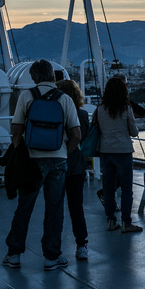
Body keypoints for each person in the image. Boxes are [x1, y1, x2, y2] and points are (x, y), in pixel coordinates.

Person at [2, 60, 81, 271]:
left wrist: (22, 151)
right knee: (54, 209)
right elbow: (76, 134)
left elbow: (16, 129)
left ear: (34, 77)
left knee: (24, 207)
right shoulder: (65, 99)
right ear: (53, 77)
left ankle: (14, 254)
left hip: (32, 161)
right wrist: (64, 152)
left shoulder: (27, 96)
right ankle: (51, 257)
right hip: (58, 161)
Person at [96, 77, 142, 233]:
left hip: (105, 151)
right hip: (123, 151)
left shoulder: (100, 109)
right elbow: (134, 131)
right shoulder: (126, 108)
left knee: (108, 188)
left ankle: (111, 221)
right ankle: (126, 223)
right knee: (126, 189)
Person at [56, 79, 90, 260]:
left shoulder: (54, 113)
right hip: (76, 164)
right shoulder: (82, 115)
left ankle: (55, 248)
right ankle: (81, 244)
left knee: (55, 207)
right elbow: (81, 138)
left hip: (56, 163)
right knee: (76, 207)